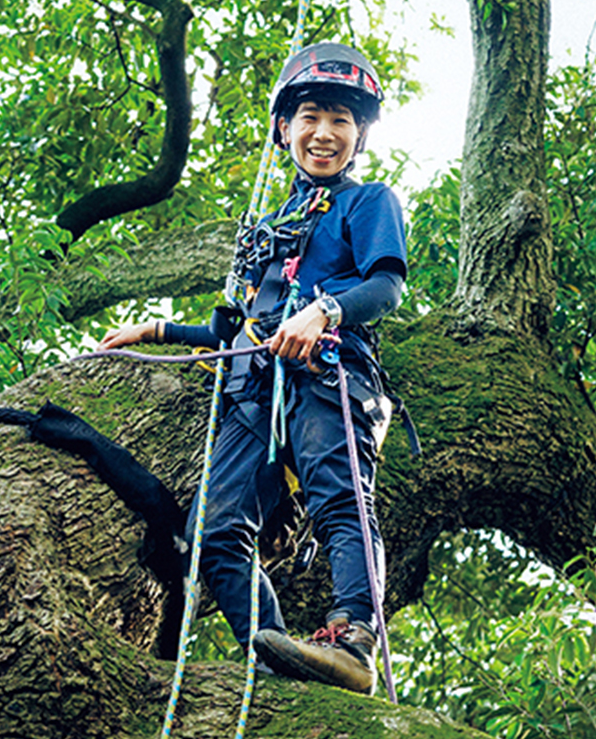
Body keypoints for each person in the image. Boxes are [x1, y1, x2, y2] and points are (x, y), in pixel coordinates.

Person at [97, 42, 406, 695]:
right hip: (251, 394)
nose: (324, 133)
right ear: (283, 128)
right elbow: (229, 328)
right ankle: (275, 662)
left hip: (329, 374)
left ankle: (353, 642)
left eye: (342, 120)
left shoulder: (367, 203)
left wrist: (324, 312)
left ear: (360, 136)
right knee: (211, 530)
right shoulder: (269, 226)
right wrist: (154, 330)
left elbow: (385, 288)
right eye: (311, 116)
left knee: (340, 499)